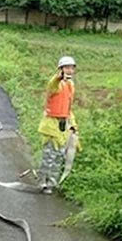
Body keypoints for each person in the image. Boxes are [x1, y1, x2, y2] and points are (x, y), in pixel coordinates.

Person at [37, 56, 80, 193]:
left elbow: (68, 108)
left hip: (63, 125)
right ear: (60, 69)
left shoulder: (70, 86)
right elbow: (53, 85)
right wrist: (59, 77)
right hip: (51, 125)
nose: (70, 70)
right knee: (48, 156)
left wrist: (73, 124)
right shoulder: (55, 83)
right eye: (66, 67)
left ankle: (52, 183)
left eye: (72, 68)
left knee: (59, 156)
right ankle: (42, 181)